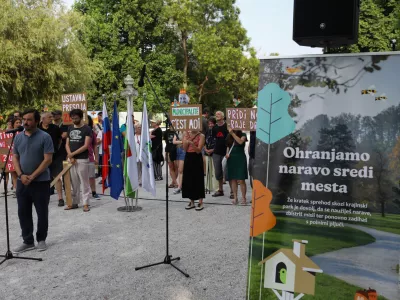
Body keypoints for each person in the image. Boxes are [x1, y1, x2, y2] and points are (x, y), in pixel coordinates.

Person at [12, 109, 54, 253]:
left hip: (41, 181)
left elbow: (48, 159)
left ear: (37, 121)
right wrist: (21, 175)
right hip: (22, 181)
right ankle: (27, 241)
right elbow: (15, 158)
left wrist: (33, 176)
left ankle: (41, 239)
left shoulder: (45, 137)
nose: (25, 122)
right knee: (23, 211)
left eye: (29, 119)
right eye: (24, 119)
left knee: (41, 211)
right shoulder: (17, 137)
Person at [65, 109, 92, 212]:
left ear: (81, 117)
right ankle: (74, 202)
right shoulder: (70, 128)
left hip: (82, 159)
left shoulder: (87, 128)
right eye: (72, 118)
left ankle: (85, 203)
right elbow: (67, 143)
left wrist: (73, 154)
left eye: (76, 118)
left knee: (84, 182)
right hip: (71, 159)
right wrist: (70, 156)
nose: (74, 120)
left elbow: (86, 145)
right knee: (73, 182)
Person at [39, 112, 61, 197]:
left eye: (52, 117)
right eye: (49, 117)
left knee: (57, 176)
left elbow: (59, 140)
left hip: (54, 156)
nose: (51, 118)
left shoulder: (55, 128)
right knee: (41, 177)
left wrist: (55, 149)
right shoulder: (37, 128)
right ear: (43, 119)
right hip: (41, 157)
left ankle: (60, 198)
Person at [182, 130, 206, 210]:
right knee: (189, 179)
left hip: (197, 157)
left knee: (198, 178)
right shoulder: (186, 134)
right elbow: (184, 149)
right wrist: (186, 141)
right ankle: (191, 202)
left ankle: (200, 202)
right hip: (188, 157)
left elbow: (199, 150)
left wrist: (192, 144)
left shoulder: (201, 135)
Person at [226, 127, 248, 205]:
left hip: (240, 157)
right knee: (233, 179)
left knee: (241, 179)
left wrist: (232, 133)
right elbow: (228, 146)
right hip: (231, 158)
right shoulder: (229, 135)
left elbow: (240, 142)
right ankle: (235, 198)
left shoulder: (243, 134)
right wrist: (227, 153)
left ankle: (244, 198)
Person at [51, 110, 69, 206]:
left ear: (59, 115)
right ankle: (60, 198)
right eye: (51, 115)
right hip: (54, 154)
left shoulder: (65, 125)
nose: (53, 116)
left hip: (64, 152)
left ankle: (68, 195)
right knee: (56, 176)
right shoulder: (51, 127)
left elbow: (64, 136)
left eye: (54, 114)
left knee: (66, 176)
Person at [211, 111, 229, 197]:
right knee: (218, 172)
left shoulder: (227, 126)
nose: (217, 115)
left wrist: (228, 151)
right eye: (216, 114)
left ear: (222, 116)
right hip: (216, 152)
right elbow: (213, 139)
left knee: (227, 171)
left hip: (226, 151)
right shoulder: (214, 128)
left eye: (219, 114)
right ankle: (220, 190)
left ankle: (232, 191)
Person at [87, 116, 100, 200]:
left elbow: (95, 146)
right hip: (78, 158)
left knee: (91, 176)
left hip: (89, 157)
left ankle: (94, 191)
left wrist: (96, 158)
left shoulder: (91, 132)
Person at [204, 117, 217, 193]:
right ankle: (208, 186)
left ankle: (216, 188)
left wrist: (213, 150)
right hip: (207, 152)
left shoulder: (216, 131)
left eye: (212, 123)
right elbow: (204, 141)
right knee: (208, 170)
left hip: (214, 152)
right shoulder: (207, 131)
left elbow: (218, 142)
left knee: (215, 171)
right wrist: (205, 149)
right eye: (209, 123)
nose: (210, 125)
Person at [9, 117, 23, 193]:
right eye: (16, 123)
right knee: (14, 175)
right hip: (11, 157)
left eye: (19, 122)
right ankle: (16, 190)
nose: (18, 124)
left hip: (22, 157)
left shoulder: (24, 133)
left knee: (20, 174)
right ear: (13, 124)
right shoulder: (10, 133)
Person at [94, 112, 103, 177]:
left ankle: (101, 172)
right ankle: (97, 172)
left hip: (103, 143)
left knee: (102, 159)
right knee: (97, 159)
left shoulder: (108, 125)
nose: (100, 117)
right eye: (99, 116)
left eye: (101, 116)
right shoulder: (95, 125)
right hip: (97, 143)